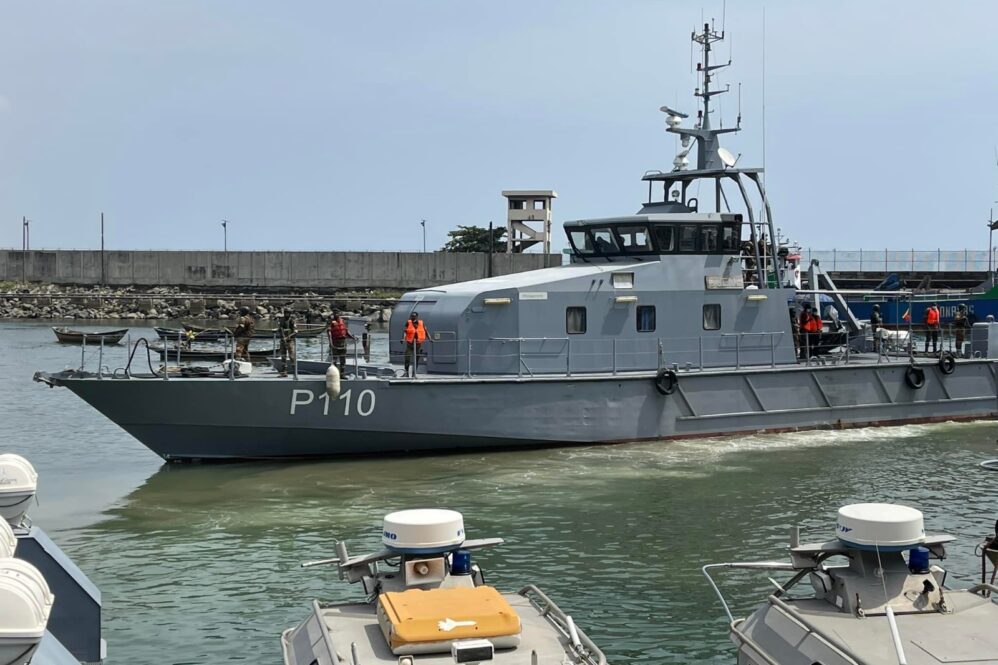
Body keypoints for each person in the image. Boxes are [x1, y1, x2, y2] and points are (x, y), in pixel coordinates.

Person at [403, 311, 429, 377]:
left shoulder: (421, 323)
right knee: (407, 358)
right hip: (410, 344)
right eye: (411, 316)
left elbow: (426, 331)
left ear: (417, 317)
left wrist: (430, 338)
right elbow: (405, 331)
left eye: (414, 316)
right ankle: (406, 373)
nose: (412, 317)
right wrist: (403, 338)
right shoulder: (408, 323)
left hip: (418, 344)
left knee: (416, 359)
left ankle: (414, 374)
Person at [278, 308, 298, 376]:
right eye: (286, 313)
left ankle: (295, 372)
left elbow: (295, 331)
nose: (287, 314)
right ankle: (284, 372)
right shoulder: (281, 320)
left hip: (290, 341)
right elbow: (280, 329)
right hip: (283, 341)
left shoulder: (292, 321)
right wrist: (282, 336)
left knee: (292, 356)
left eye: (288, 313)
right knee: (283, 356)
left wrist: (288, 337)